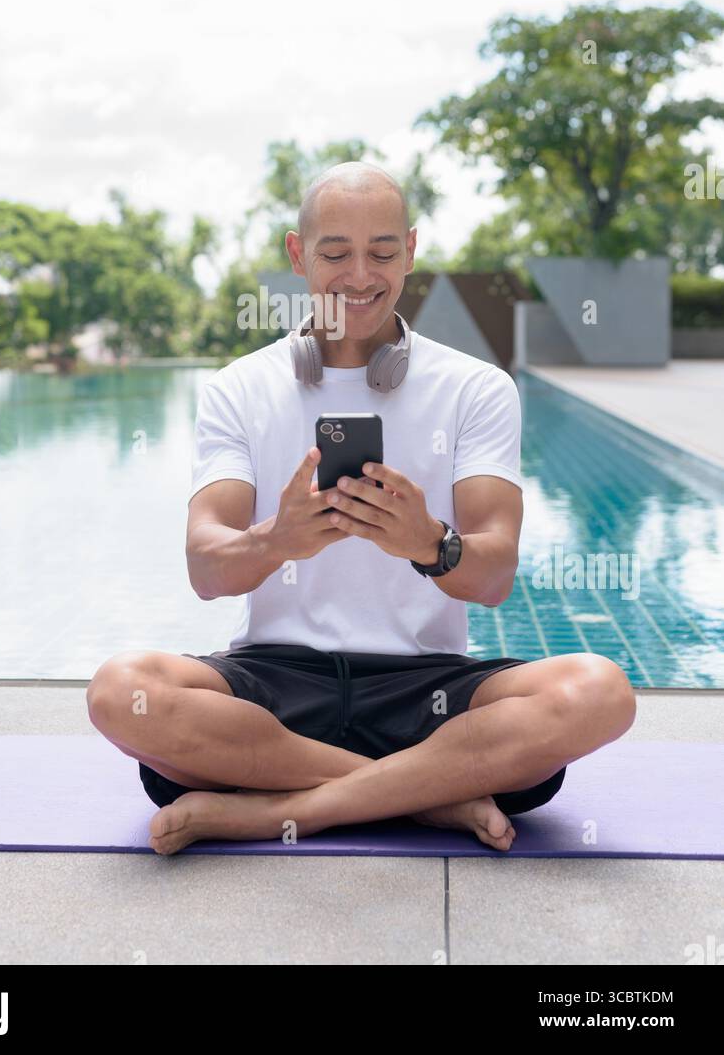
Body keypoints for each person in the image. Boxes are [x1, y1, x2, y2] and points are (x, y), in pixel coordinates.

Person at [87, 162, 636, 854]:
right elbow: (206, 569)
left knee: (600, 691)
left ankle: (273, 810)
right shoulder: (237, 388)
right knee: (119, 690)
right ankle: (429, 798)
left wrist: (430, 542)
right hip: (274, 683)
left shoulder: (476, 389)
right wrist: (275, 541)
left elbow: (493, 579)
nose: (358, 276)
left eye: (380, 252)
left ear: (409, 250)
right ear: (296, 254)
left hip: (428, 690)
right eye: (334, 253)